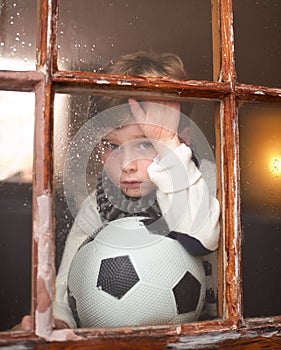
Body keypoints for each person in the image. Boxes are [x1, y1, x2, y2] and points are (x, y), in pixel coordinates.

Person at [17, 51, 220, 330]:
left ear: (181, 138)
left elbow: (200, 237)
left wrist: (168, 145)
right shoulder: (98, 204)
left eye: (146, 143)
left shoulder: (203, 177)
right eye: (111, 146)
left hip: (201, 334)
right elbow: (67, 287)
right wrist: (59, 320)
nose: (126, 165)